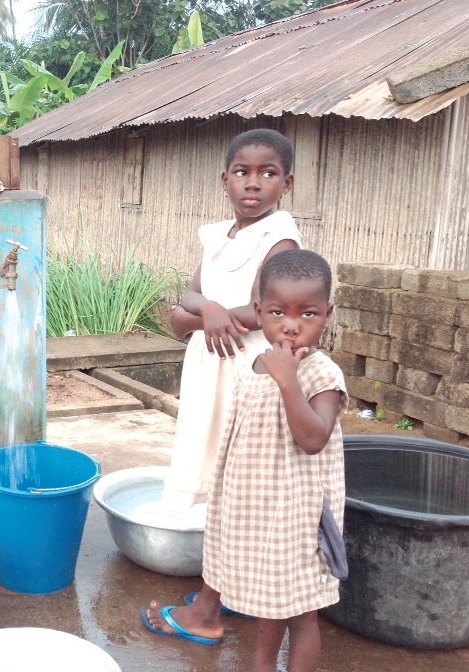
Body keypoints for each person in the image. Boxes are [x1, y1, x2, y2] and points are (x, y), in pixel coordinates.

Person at [144, 248, 348, 672]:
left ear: (327, 314)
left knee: (302, 614)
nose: (291, 326)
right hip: (258, 510)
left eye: (307, 314)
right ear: (259, 311)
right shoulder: (250, 364)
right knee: (268, 606)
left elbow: (312, 438)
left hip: (298, 517)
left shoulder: (321, 374)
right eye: (278, 312)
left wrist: (289, 381)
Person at [163, 128, 302, 509]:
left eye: (268, 174)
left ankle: (236, 530)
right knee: (200, 437)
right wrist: (207, 309)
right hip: (209, 358)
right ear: (226, 180)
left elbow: (262, 310)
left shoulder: (279, 238)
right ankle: (196, 526)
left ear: (286, 183)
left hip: (247, 361)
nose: (253, 184)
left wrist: (191, 320)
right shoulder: (217, 237)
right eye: (242, 172)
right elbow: (193, 292)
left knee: (239, 445)